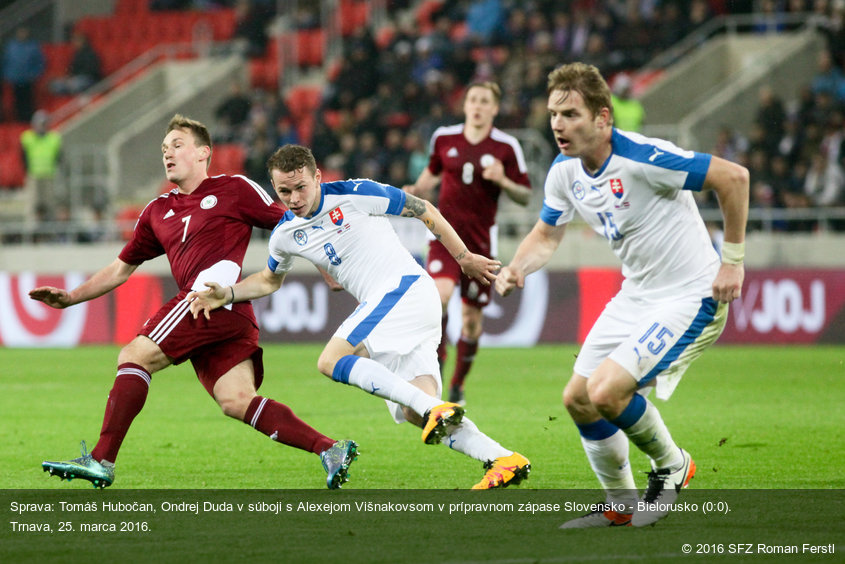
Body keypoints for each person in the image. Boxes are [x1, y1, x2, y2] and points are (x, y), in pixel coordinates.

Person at [30, 115, 357, 490]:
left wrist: (328, 267)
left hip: (208, 299)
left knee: (133, 357)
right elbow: (121, 269)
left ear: (204, 153)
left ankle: (102, 459)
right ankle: (329, 448)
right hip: (226, 314)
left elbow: (294, 224)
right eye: (164, 148)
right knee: (236, 400)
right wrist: (71, 297)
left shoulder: (234, 188)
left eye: (177, 145)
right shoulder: (156, 211)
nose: (168, 153)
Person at [188, 144, 531, 490]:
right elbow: (268, 280)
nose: (293, 198)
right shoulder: (286, 234)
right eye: (284, 191)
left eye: (301, 187)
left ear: (317, 177)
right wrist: (227, 294)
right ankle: (502, 458)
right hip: (403, 309)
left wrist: (463, 257)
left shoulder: (355, 193)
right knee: (417, 411)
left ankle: (435, 409)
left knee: (331, 360)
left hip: (404, 290)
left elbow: (423, 209)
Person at [495, 63, 748, 527]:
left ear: (603, 118)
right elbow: (547, 235)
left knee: (608, 391)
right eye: (553, 114)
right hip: (638, 295)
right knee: (578, 397)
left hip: (691, 294)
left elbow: (733, 178)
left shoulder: (644, 158)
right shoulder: (564, 171)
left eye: (570, 114)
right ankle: (621, 504)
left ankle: (673, 467)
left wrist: (732, 259)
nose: (557, 124)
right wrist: (516, 268)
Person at [404, 81, 532, 406]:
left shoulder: (506, 147)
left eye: (484, 101)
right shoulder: (444, 138)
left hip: (480, 244)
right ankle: (439, 367)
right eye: (472, 99)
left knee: (472, 321)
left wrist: (502, 179)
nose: (476, 105)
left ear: (494, 108)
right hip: (442, 237)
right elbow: (429, 177)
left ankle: (458, 384)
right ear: (465, 106)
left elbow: (525, 193)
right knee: (440, 299)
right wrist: (412, 193)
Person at [20, 110, 62, 225]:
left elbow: (59, 157)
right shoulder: (27, 138)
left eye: (44, 123)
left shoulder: (54, 138)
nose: (42, 126)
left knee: (50, 202)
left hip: (49, 173)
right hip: (34, 174)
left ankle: (52, 225)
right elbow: (23, 157)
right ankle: (31, 226)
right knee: (32, 202)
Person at [2, 26, 45, 122]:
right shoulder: (11, 46)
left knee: (27, 101)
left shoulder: (33, 46)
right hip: (14, 79)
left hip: (28, 80)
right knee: (16, 101)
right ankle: (17, 120)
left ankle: (27, 120)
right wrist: (6, 75)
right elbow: (6, 61)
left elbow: (40, 62)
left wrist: (34, 75)